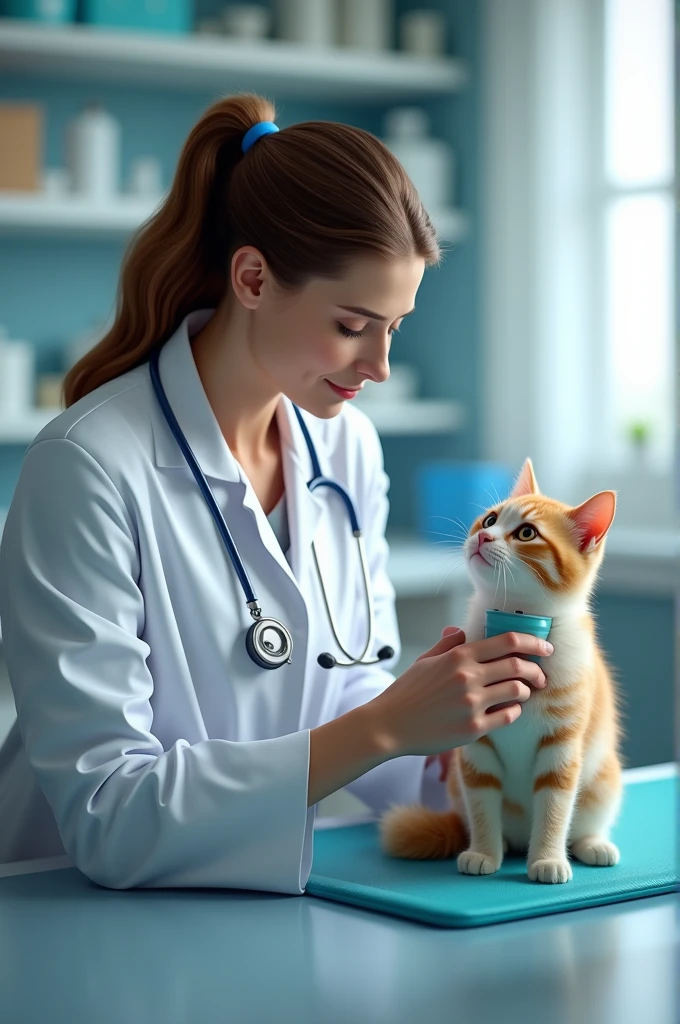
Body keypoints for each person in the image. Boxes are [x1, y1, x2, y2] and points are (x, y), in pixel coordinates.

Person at [0, 94, 550, 893]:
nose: (379, 367)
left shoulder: (347, 442)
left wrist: (457, 752)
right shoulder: (87, 466)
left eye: (394, 327)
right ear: (253, 278)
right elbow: (109, 813)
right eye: (353, 324)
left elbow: (346, 678)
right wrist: (386, 725)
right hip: (64, 905)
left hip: (250, 900)